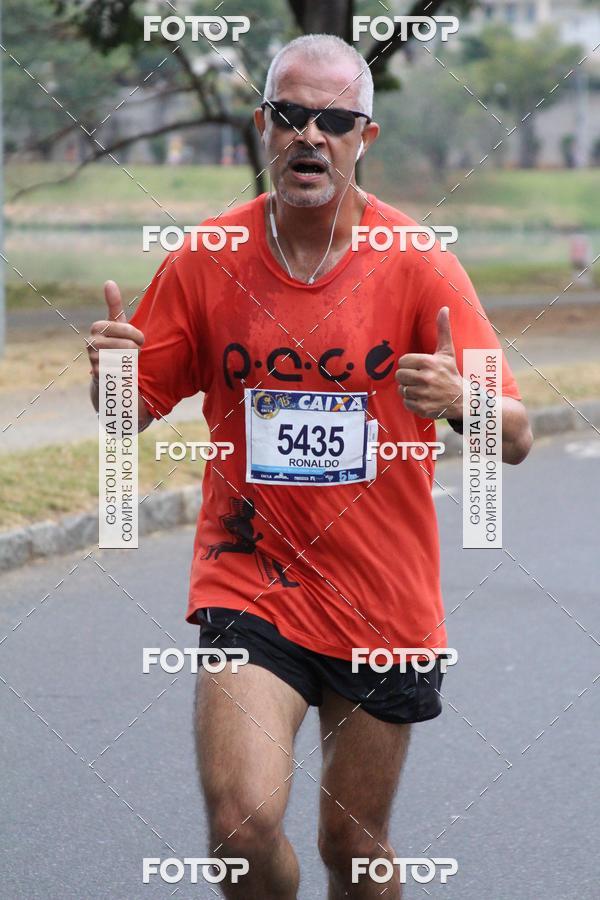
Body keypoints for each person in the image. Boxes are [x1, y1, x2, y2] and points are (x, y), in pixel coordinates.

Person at [87, 33, 532, 900]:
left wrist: (461, 400)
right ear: (263, 126)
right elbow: (127, 414)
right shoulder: (207, 259)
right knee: (241, 828)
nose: (310, 136)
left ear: (364, 138)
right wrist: (107, 380)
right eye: (292, 116)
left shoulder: (420, 263)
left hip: (382, 599)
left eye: (334, 120)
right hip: (249, 579)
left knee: (352, 852)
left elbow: (512, 436)